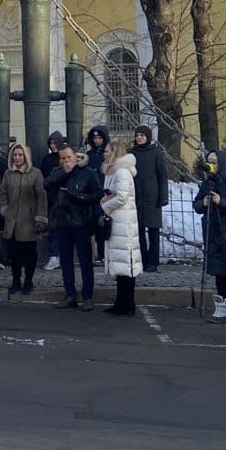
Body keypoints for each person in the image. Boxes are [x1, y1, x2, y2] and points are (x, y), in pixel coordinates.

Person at [44, 144, 102, 311]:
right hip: (62, 223)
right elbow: (47, 184)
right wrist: (64, 172)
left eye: (69, 157)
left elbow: (98, 194)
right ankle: (70, 294)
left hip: (81, 222)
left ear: (76, 157)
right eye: (63, 158)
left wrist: (82, 197)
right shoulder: (58, 172)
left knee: (85, 261)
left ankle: (87, 296)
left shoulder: (88, 173)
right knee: (66, 261)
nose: (66, 160)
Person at [193, 150, 226, 322]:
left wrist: (220, 201)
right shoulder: (207, 184)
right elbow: (196, 204)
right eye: (209, 161)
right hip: (213, 232)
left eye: (214, 162)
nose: (211, 165)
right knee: (219, 270)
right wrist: (203, 203)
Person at [101, 140, 143, 316]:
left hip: (123, 223)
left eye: (107, 151)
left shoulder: (121, 172)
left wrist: (106, 206)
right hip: (121, 222)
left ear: (114, 152)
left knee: (126, 265)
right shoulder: (116, 171)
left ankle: (126, 303)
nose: (104, 153)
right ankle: (122, 302)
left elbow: (122, 197)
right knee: (122, 265)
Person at [0, 143, 47, 295]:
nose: (17, 158)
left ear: (26, 156)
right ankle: (16, 280)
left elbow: (41, 196)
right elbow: (3, 193)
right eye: (15, 155)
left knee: (30, 253)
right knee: (14, 254)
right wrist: (4, 210)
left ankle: (28, 281)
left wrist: (40, 218)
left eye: (20, 155)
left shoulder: (35, 173)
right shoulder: (8, 173)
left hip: (29, 220)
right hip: (12, 220)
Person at [131, 125, 169, 272]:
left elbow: (162, 176)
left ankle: (153, 261)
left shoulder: (156, 153)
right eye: (137, 135)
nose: (139, 137)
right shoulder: (131, 154)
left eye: (142, 135)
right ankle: (143, 259)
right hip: (136, 197)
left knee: (153, 232)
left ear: (148, 136)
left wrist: (163, 196)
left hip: (153, 197)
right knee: (138, 231)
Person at [39, 131, 65, 270]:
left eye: (55, 143)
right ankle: (54, 256)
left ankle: (62, 256)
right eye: (51, 143)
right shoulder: (47, 160)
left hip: (65, 199)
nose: (53, 146)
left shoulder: (65, 157)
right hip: (51, 198)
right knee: (53, 229)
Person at [85, 126, 110, 265]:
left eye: (99, 138)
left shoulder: (106, 156)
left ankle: (103, 253)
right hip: (91, 196)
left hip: (104, 195)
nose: (97, 141)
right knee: (92, 226)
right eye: (95, 138)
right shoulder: (89, 155)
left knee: (103, 226)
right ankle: (93, 255)